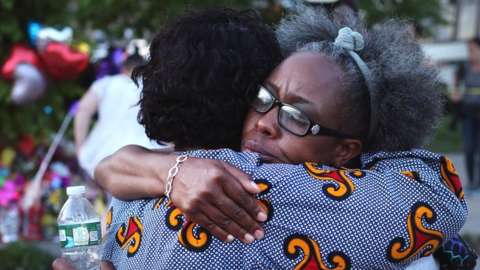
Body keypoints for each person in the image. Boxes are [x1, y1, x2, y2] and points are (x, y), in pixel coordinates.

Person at [86, 7, 469, 269]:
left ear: (345, 150)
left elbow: (109, 169)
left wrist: (147, 165)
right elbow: (442, 194)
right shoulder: (246, 187)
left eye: (296, 117)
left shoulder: (135, 195)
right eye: (264, 98)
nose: (266, 123)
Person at [74, 54, 168, 178]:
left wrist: (80, 147)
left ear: (123, 68)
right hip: (145, 151)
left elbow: (83, 111)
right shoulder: (151, 86)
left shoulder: (105, 83)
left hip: (103, 150)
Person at [452, 37, 480, 192]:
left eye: (472, 50)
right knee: (469, 149)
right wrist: (456, 94)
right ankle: (471, 182)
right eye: (468, 50)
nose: (470, 53)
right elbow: (456, 86)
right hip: (468, 114)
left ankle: (478, 183)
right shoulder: (465, 68)